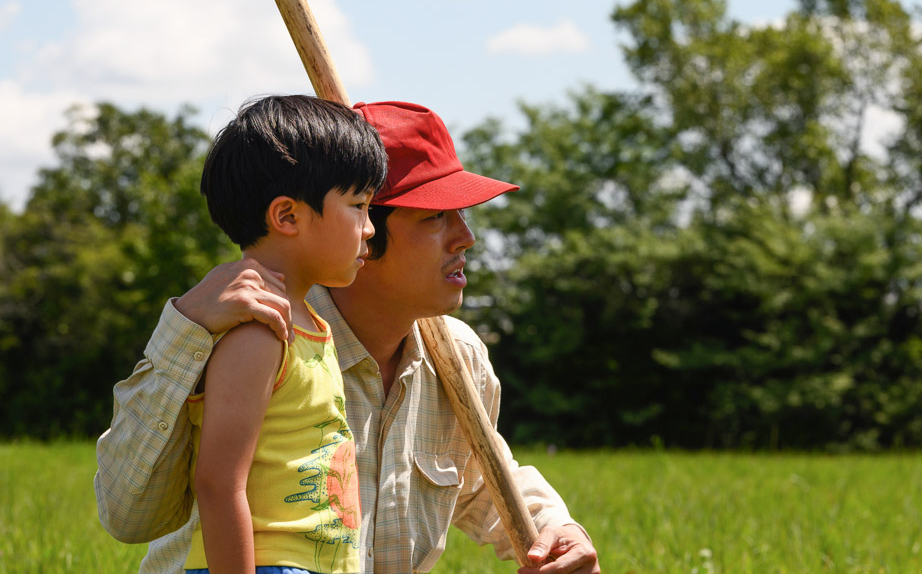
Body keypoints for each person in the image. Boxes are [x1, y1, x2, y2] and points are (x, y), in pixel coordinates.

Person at [95, 100, 601, 574]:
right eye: (433, 218)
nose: (465, 237)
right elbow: (127, 515)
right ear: (366, 229)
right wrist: (184, 329)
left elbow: (481, 478)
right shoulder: (252, 327)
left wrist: (555, 528)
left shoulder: (460, 357)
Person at [186, 94, 387, 573]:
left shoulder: (312, 325)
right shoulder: (257, 333)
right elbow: (218, 483)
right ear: (288, 217)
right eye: (358, 206)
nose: (370, 229)